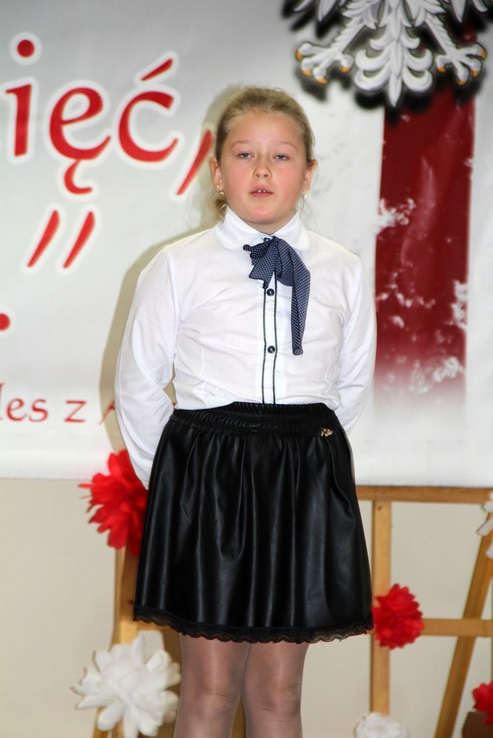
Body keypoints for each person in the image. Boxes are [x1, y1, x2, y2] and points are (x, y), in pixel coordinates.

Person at [115, 86, 376, 738]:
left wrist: (317, 473)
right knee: (209, 689)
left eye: (281, 156)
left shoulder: (343, 270)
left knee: (279, 691)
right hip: (209, 479)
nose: (262, 170)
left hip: (301, 480)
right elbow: (139, 384)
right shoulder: (178, 267)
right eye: (244, 154)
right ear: (216, 171)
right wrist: (177, 484)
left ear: (307, 173)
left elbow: (351, 388)